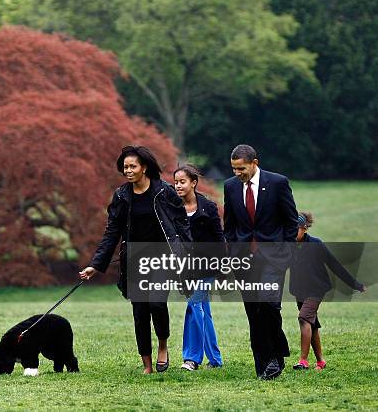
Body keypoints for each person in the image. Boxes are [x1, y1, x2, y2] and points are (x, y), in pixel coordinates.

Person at [79, 145, 191, 374]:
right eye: (125, 167)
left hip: (162, 258)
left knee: (157, 303)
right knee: (140, 311)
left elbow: (181, 225)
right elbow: (112, 233)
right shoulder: (121, 196)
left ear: (144, 168)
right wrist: (95, 265)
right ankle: (147, 364)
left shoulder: (164, 192)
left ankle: (162, 345)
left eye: (132, 166)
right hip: (135, 260)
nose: (128, 170)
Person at [223, 144, 298, 380]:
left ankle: (276, 355)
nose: (237, 173)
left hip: (273, 258)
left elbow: (290, 221)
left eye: (241, 168)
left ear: (254, 162)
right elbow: (231, 226)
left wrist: (286, 252)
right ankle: (264, 363)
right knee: (253, 311)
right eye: (234, 169)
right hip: (243, 260)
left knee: (267, 304)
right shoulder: (230, 186)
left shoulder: (277, 183)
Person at [290, 212, 366, 371]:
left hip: (316, 289)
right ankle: (321, 361)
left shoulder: (316, 244)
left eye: (295, 229)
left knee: (304, 318)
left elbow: (335, 265)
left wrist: (356, 285)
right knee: (312, 324)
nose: (291, 232)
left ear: (304, 229)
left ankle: (303, 361)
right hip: (299, 290)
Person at [173, 164, 224, 371]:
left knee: (194, 306)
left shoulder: (208, 207)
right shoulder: (172, 208)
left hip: (207, 267)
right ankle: (215, 359)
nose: (178, 186)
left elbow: (219, 238)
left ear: (193, 183)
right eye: (175, 182)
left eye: (182, 181)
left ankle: (192, 359)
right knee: (203, 310)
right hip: (184, 268)